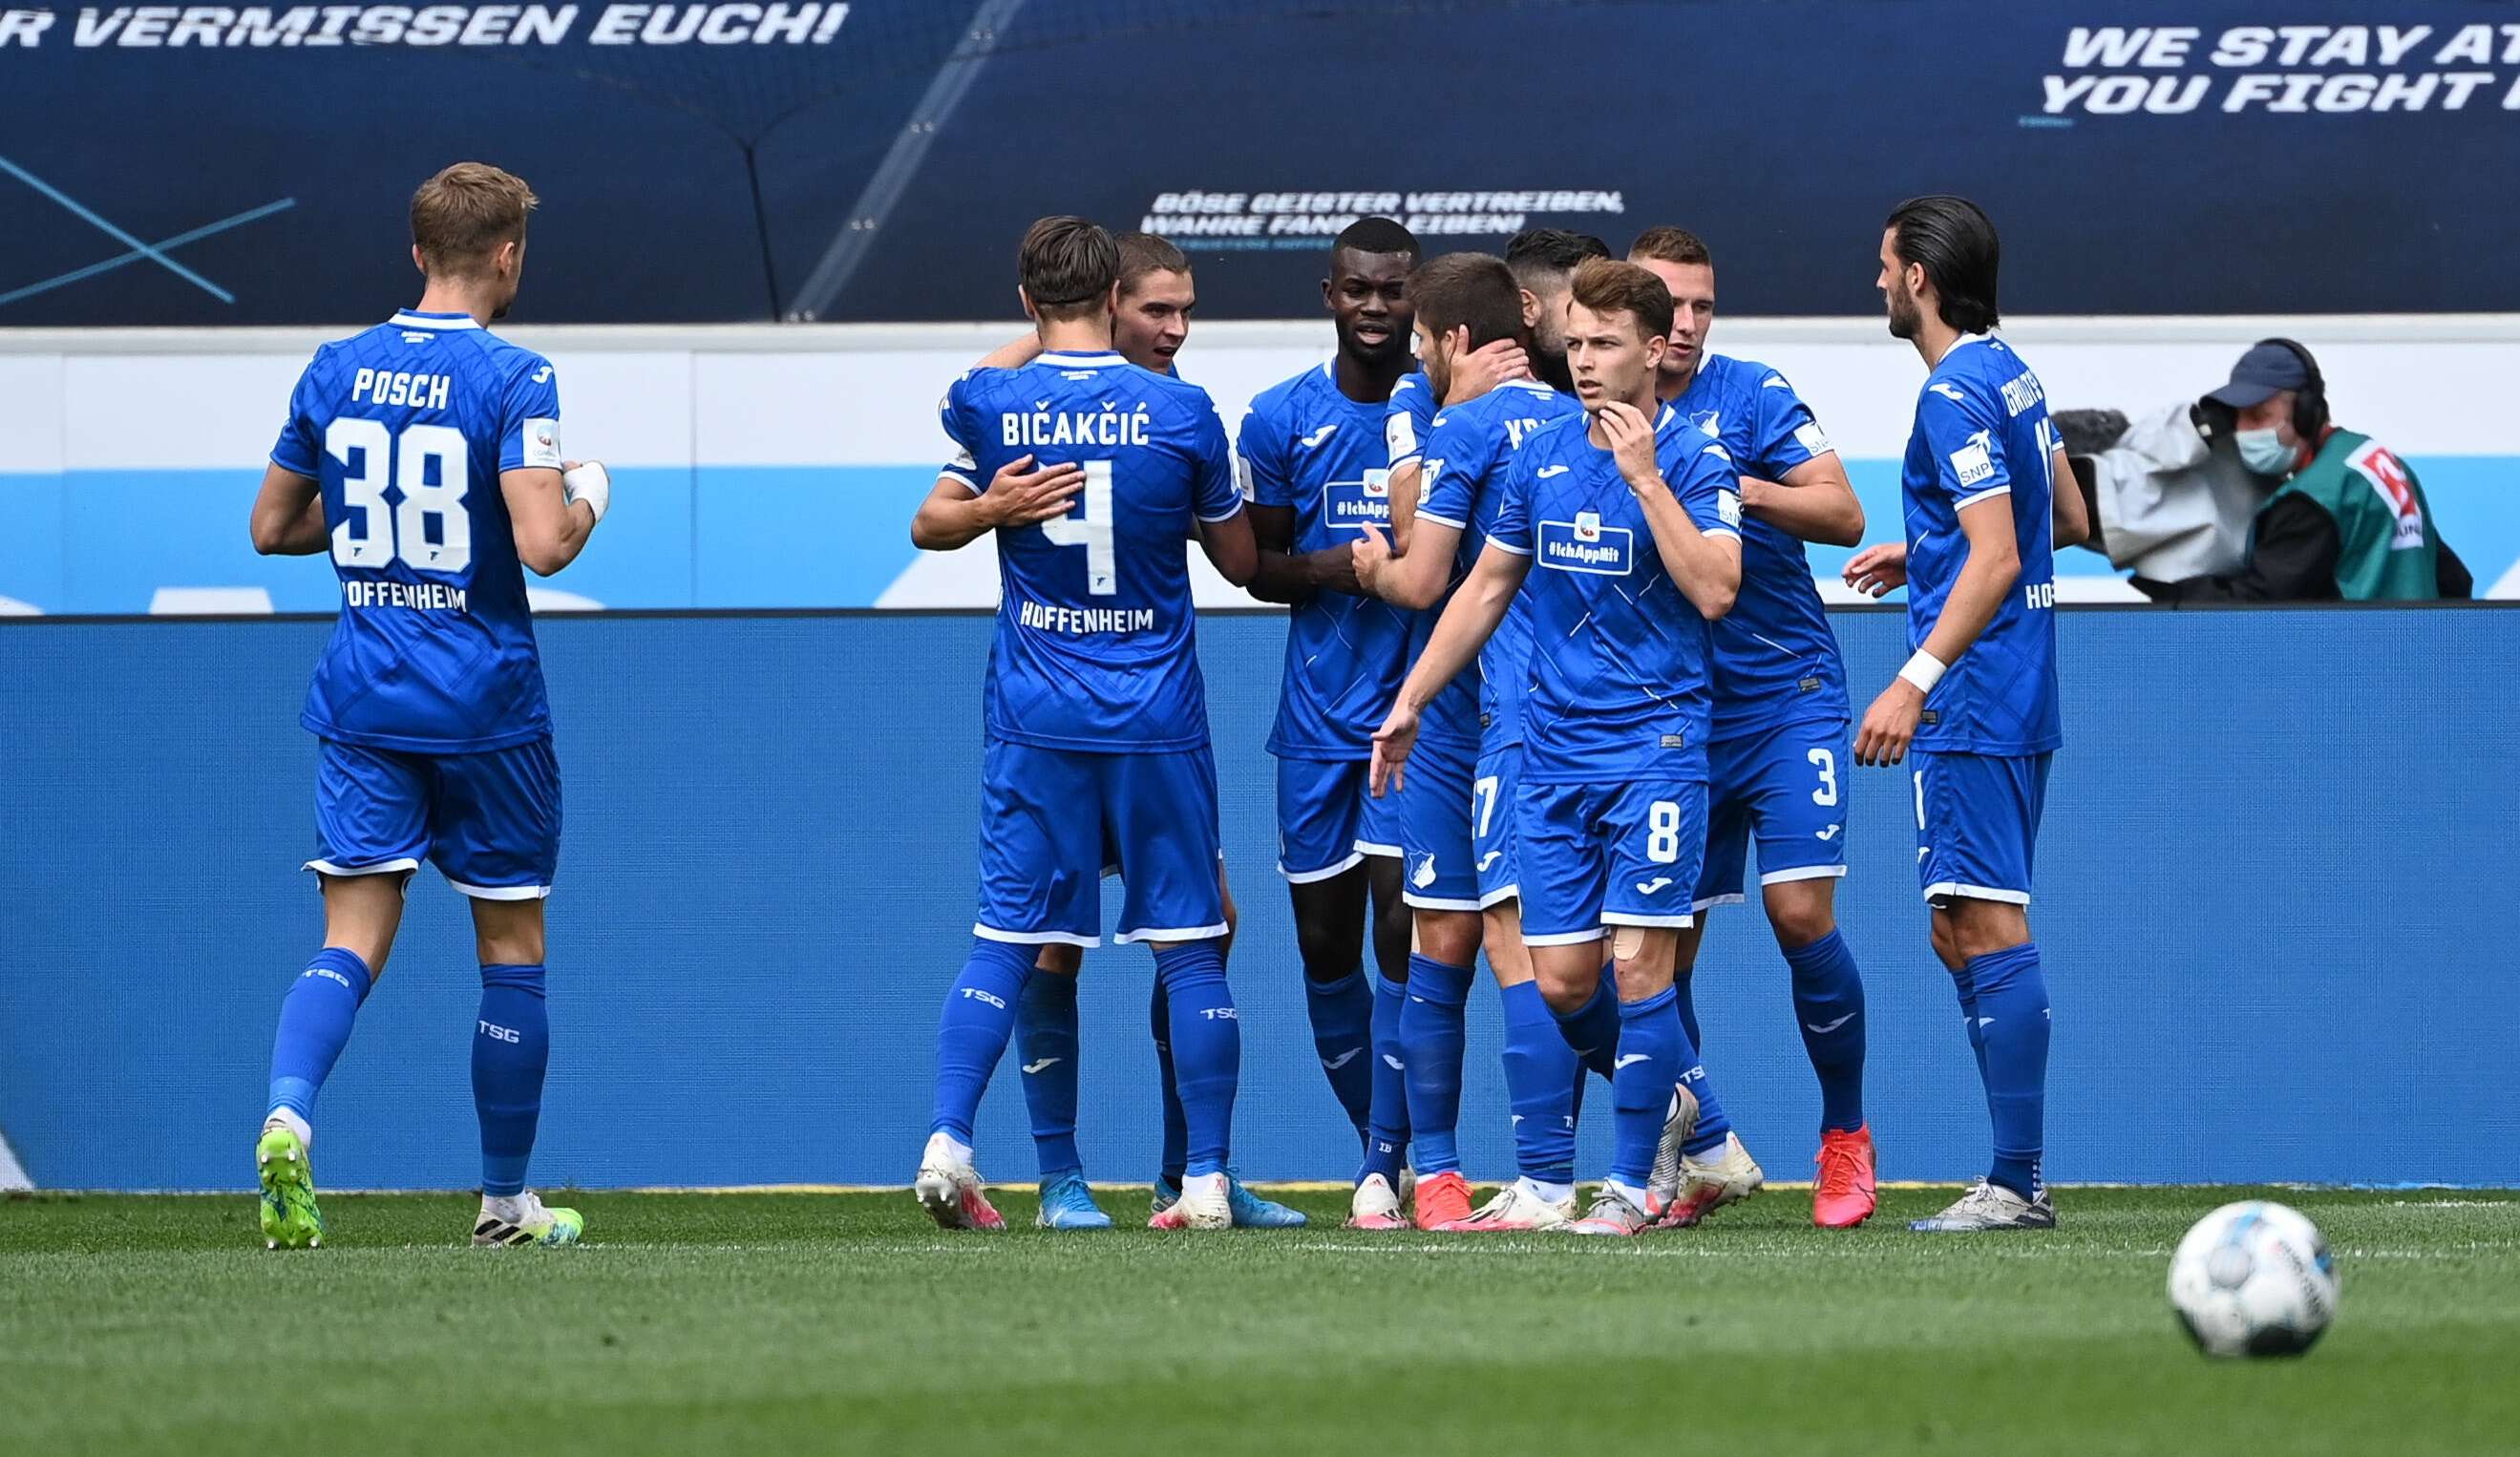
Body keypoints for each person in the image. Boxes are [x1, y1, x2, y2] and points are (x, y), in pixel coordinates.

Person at [246, 161, 607, 1250]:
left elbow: (272, 527)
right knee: (510, 942)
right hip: (485, 708)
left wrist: (366, 528)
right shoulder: (517, 376)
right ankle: (503, 1203)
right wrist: (591, 491)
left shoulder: (336, 365)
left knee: (349, 934)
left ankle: (287, 1114)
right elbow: (544, 546)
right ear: (508, 255)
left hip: (364, 700)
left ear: (417, 252)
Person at [1371, 260, 1764, 1237]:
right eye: (1576, 344)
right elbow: (1484, 586)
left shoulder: (1698, 456)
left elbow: (1715, 587)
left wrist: (1643, 478)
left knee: (1640, 963)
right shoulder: (1537, 450)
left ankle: (1627, 1184)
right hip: (1547, 755)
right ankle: (1677, 1106)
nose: (1586, 362)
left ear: (1654, 345)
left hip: (1656, 745)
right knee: (1560, 979)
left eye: (1606, 345)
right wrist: (1412, 697)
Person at [914, 233, 1296, 1230]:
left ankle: (951, 1138)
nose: (1173, 327)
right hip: (1153, 716)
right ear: (1118, 296)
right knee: (1191, 940)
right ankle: (1193, 1177)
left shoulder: (990, 403)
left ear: (1025, 296)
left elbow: (939, 478)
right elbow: (1238, 557)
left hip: (1038, 714)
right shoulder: (1180, 413)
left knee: (1009, 933)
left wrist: (999, 486)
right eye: (1156, 308)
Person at [1841, 195, 2089, 1233]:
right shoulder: (2012, 372)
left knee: (1982, 919)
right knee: (1958, 923)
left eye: (1884, 265)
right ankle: (2011, 1172)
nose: (1876, 282)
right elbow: (2065, 520)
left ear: (1920, 282)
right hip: (2016, 685)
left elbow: (1997, 554)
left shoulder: (1949, 395)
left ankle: (2015, 1179)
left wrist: (1912, 678)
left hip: (1973, 698)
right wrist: (1928, 546)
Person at [1628, 225, 1875, 1228]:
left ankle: (1844, 1137)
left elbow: (1845, 512)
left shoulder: (1753, 392)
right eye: (1667, 305)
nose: (1684, 325)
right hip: (1669, 714)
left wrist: (1730, 482)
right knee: (1657, 950)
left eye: (1700, 305)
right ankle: (1696, 1146)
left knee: (1799, 915)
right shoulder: (1595, 414)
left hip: (1784, 695)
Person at [1351, 251, 1589, 1232]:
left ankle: (1536, 1172)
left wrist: (1368, 565)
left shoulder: (1465, 419)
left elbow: (1419, 572)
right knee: (1451, 932)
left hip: (1496, 712)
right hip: (1494, 708)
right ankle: (1437, 1174)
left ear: (1449, 337)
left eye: (1419, 339)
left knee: (1504, 941)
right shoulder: (1569, 416)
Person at [1238, 218, 1425, 1224]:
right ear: (1328, 292)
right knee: (1323, 949)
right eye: (1357, 289)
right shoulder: (1277, 419)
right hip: (1311, 724)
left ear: (1417, 297)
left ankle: (1388, 1158)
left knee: (1402, 932)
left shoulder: (1444, 415)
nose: (1373, 308)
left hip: (1412, 727)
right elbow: (1252, 565)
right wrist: (1341, 569)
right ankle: (1377, 1150)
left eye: (1392, 292)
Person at [2132, 339, 2470, 602]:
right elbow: (2453, 580)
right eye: (2240, 419)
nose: (2245, 432)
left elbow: (2260, 606)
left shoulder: (2313, 500)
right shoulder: (2375, 462)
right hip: (2418, 666)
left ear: (2308, 411)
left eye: (2260, 416)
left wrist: (2175, 592)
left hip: (2357, 670)